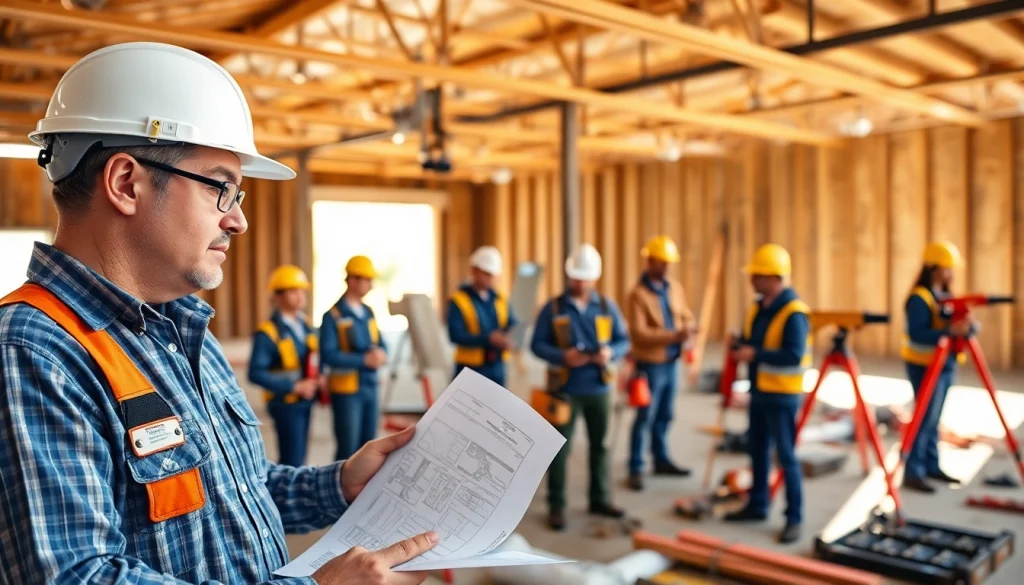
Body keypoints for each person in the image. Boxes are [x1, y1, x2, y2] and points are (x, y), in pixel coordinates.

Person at [0, 42, 436, 585]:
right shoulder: (33, 351)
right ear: (125, 183)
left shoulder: (184, 330)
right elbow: (78, 576)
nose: (238, 222)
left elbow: (234, 488)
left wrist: (342, 483)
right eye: (221, 189)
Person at [530, 244, 631, 531]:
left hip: (599, 389)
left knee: (600, 446)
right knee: (559, 449)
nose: (580, 283)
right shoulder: (554, 308)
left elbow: (624, 341)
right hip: (565, 390)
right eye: (575, 277)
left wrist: (611, 352)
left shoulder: (606, 307)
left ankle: (599, 499)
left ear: (594, 278)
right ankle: (556, 505)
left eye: (584, 278)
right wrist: (563, 356)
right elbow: (536, 344)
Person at [723, 243, 811, 545]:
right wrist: (739, 344)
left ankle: (794, 518)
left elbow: (794, 354)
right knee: (757, 450)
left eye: (757, 275)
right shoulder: (758, 307)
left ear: (774, 278)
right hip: (759, 392)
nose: (752, 281)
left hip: (782, 397)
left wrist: (755, 353)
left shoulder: (794, 313)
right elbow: (753, 342)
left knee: (785, 456)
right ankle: (758, 505)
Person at [624, 235, 697, 491]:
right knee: (645, 416)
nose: (666, 267)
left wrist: (688, 328)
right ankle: (636, 466)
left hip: (672, 361)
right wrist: (674, 335)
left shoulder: (674, 288)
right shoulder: (637, 295)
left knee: (665, 414)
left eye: (669, 262)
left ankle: (661, 459)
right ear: (650, 261)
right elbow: (639, 333)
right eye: (662, 262)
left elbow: (686, 315)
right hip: (650, 364)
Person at [899, 241, 973, 493]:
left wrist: (968, 326)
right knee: (923, 418)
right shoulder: (919, 299)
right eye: (947, 268)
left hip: (946, 364)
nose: (951, 273)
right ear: (933, 268)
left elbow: (963, 325)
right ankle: (914, 471)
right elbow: (917, 333)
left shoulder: (947, 296)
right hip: (924, 365)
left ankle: (931, 465)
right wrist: (948, 330)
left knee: (934, 419)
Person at [248, 264, 321, 467]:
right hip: (285, 404)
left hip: (306, 401)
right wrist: (294, 386)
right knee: (292, 460)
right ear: (278, 296)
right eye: (294, 291)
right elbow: (256, 373)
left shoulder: (306, 326)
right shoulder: (268, 332)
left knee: (301, 457)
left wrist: (318, 378)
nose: (301, 296)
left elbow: (313, 359)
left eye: (302, 290)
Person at [321, 255, 388, 461]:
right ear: (352, 280)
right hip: (347, 391)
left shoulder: (368, 312)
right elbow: (329, 355)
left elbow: (381, 342)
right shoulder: (333, 316)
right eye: (367, 279)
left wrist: (382, 353)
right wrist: (363, 361)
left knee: (369, 445)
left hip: (369, 385)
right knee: (348, 449)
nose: (371, 284)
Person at [447, 245, 518, 386]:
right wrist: (488, 338)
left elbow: (511, 322)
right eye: (486, 273)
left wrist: (509, 338)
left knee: (497, 406)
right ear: (474, 271)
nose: (490, 278)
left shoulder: (500, 299)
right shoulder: (459, 300)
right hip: (469, 368)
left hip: (497, 366)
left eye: (492, 274)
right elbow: (455, 335)